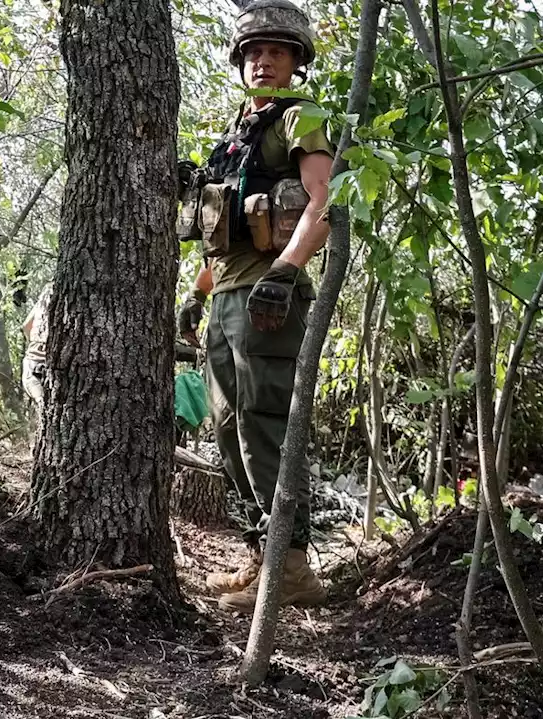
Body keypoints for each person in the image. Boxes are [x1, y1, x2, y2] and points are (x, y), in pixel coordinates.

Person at [175, 0, 333, 612]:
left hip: (272, 297)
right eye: (254, 52)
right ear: (241, 62)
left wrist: (286, 271)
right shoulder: (238, 133)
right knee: (225, 427)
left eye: (277, 52)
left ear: (296, 61)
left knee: (264, 421)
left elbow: (321, 203)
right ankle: (260, 555)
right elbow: (226, 231)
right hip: (230, 297)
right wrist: (197, 295)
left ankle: (292, 568)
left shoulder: (300, 120)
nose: (263, 61)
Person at [20, 282, 52, 442]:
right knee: (47, 410)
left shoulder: (42, 301)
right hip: (48, 364)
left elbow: (26, 326)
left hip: (32, 363)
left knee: (43, 408)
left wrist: (34, 343)